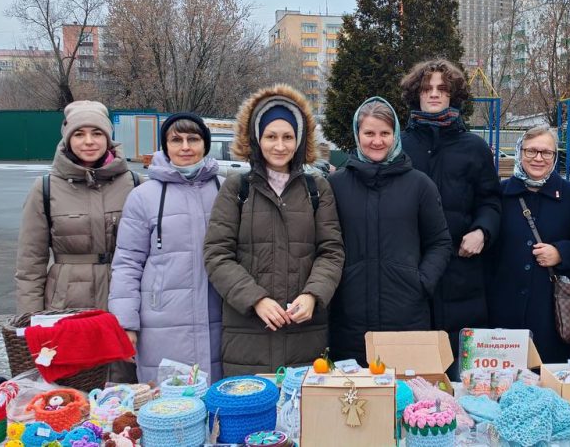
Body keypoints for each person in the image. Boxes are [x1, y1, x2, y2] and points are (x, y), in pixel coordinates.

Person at [204, 84, 344, 376]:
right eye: (271, 136)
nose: (279, 146)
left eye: (287, 137)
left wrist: (313, 295)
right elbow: (217, 254)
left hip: (304, 334)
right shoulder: (237, 188)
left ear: (299, 140)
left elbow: (331, 251)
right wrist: (256, 299)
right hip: (248, 335)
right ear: (257, 139)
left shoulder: (316, 189)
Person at [328, 97, 453, 364]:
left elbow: (440, 242)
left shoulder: (420, 185)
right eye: (369, 133)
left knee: (404, 398)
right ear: (357, 134)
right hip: (349, 317)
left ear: (395, 135)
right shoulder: (336, 184)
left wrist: (421, 282)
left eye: (385, 133)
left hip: (407, 315)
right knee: (354, 399)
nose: (377, 141)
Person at [400, 59, 502, 373]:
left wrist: (483, 231)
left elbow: (491, 200)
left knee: (460, 371)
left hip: (462, 272)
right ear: (416, 93)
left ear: (452, 95)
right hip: (411, 267)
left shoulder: (474, 147)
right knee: (412, 369)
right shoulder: (398, 144)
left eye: (442, 88)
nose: (434, 94)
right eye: (427, 88)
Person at [108, 113, 224, 383]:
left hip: (216, 317)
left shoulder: (224, 190)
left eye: (193, 139)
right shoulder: (143, 197)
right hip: (161, 322)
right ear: (165, 145)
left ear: (204, 145)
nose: (185, 146)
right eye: (176, 140)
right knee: (168, 406)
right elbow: (127, 263)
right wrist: (126, 323)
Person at [488, 125, 570, 364]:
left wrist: (561, 252)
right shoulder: (501, 193)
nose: (538, 158)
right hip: (503, 308)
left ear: (554, 156)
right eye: (531, 151)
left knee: (551, 380)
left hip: (553, 312)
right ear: (520, 152)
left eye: (546, 152)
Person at [15, 100, 138, 316]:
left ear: (108, 139)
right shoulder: (45, 188)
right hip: (65, 305)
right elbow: (30, 264)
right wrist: (30, 319)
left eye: (97, 133)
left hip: (122, 303)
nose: (88, 141)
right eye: (79, 134)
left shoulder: (134, 185)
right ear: (67, 139)